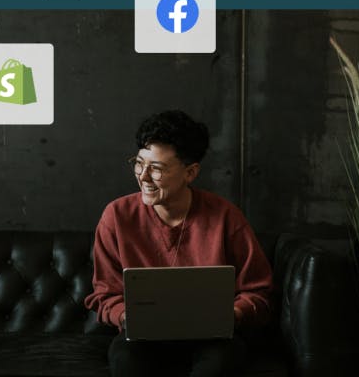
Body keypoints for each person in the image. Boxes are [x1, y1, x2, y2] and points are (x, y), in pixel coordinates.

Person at [84, 110, 273, 377]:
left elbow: (258, 292)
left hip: (212, 339)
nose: (144, 177)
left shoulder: (225, 217)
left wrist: (234, 313)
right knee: (126, 362)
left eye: (157, 168)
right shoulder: (116, 216)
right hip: (142, 340)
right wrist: (126, 316)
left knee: (219, 364)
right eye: (139, 163)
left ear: (190, 172)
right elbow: (104, 295)